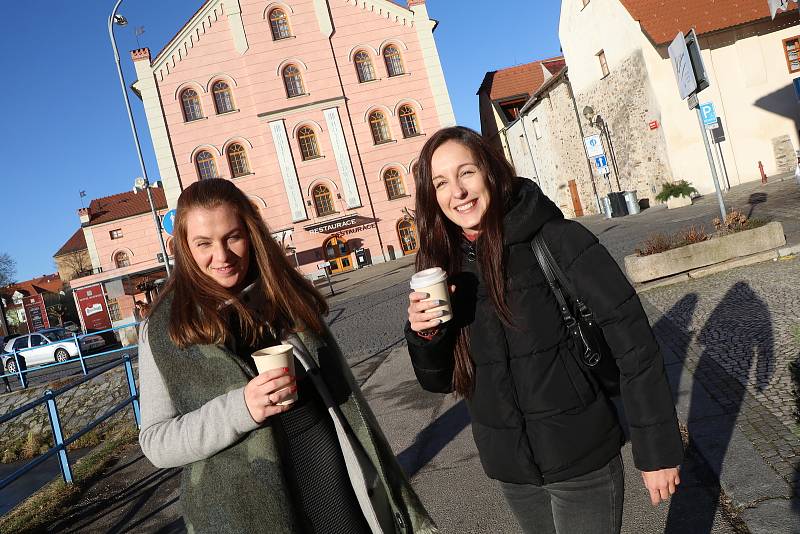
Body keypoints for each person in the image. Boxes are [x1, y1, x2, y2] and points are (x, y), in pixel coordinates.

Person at [405, 127, 683, 534]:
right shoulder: (446, 267)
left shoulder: (557, 239)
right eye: (442, 183)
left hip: (582, 457)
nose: (458, 192)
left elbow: (634, 343)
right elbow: (440, 381)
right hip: (515, 473)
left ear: (491, 171)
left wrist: (656, 450)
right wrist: (425, 335)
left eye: (466, 173)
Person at [139, 178, 436, 534]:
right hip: (246, 510)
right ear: (185, 248)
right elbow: (156, 441)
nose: (222, 256)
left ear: (250, 233)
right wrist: (241, 409)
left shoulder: (284, 295)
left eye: (233, 237)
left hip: (332, 484)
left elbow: (348, 400)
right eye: (204, 243)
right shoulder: (163, 327)